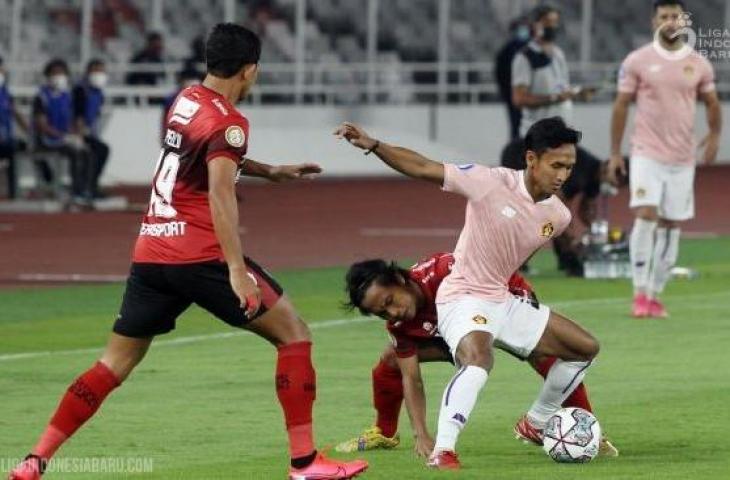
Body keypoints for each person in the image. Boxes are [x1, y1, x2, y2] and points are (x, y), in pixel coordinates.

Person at [9, 24, 367, 480]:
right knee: (294, 333)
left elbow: (198, 158)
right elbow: (221, 193)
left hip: (152, 251)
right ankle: (305, 464)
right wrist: (236, 271)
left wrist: (270, 171)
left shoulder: (187, 99)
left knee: (112, 363)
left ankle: (34, 460)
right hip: (200, 256)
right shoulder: (232, 123)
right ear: (250, 69)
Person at [335, 116, 600, 470]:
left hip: (502, 298)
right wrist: (375, 145)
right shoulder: (489, 182)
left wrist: (519, 295)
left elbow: (515, 259)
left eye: (569, 166)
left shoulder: (558, 216)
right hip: (463, 295)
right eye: (556, 165)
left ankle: (536, 423)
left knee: (584, 348)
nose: (563, 175)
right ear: (531, 159)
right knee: (479, 359)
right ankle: (443, 451)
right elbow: (422, 167)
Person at [335, 252, 617, 458]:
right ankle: (384, 432)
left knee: (550, 358)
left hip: (496, 308)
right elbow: (413, 379)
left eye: (390, 302)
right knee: (391, 360)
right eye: (381, 313)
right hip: (449, 339)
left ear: (398, 279)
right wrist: (421, 434)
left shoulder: (446, 269)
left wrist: (525, 304)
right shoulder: (399, 325)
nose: (393, 313)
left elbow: (498, 271)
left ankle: (585, 430)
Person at [608, 0, 721, 318]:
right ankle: (639, 293)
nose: (670, 21)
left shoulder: (698, 63)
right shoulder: (638, 60)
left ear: (683, 20)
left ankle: (656, 294)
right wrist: (616, 152)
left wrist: (714, 135)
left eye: (675, 16)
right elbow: (621, 105)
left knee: (672, 223)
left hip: (682, 157)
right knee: (646, 214)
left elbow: (712, 102)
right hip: (646, 152)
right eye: (664, 16)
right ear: (653, 21)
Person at [32, 58, 91, 203]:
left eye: (61, 73)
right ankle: (76, 192)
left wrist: (76, 134)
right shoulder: (42, 96)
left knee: (87, 151)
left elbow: (73, 119)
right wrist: (63, 137)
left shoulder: (69, 96)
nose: (58, 76)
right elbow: (42, 125)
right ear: (48, 76)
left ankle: (86, 188)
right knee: (75, 152)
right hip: (48, 139)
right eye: (55, 73)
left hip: (65, 137)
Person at [72, 59, 110, 199]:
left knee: (100, 150)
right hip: (76, 132)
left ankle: (91, 185)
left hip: (89, 132)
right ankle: (84, 187)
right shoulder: (80, 90)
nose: (99, 74)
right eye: (96, 70)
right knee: (97, 150)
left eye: (101, 70)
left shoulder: (99, 93)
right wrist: (80, 135)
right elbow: (77, 115)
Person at [494, 16, 531, 141]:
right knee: (517, 127)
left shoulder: (532, 48)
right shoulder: (507, 51)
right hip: (514, 97)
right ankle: (516, 155)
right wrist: (508, 94)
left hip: (531, 97)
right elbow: (500, 74)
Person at [0, 57, 30, 199]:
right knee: (12, 150)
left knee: (25, 146)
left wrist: (30, 132)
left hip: (5, 141)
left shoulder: (5, 93)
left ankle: (14, 192)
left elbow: (16, 113)